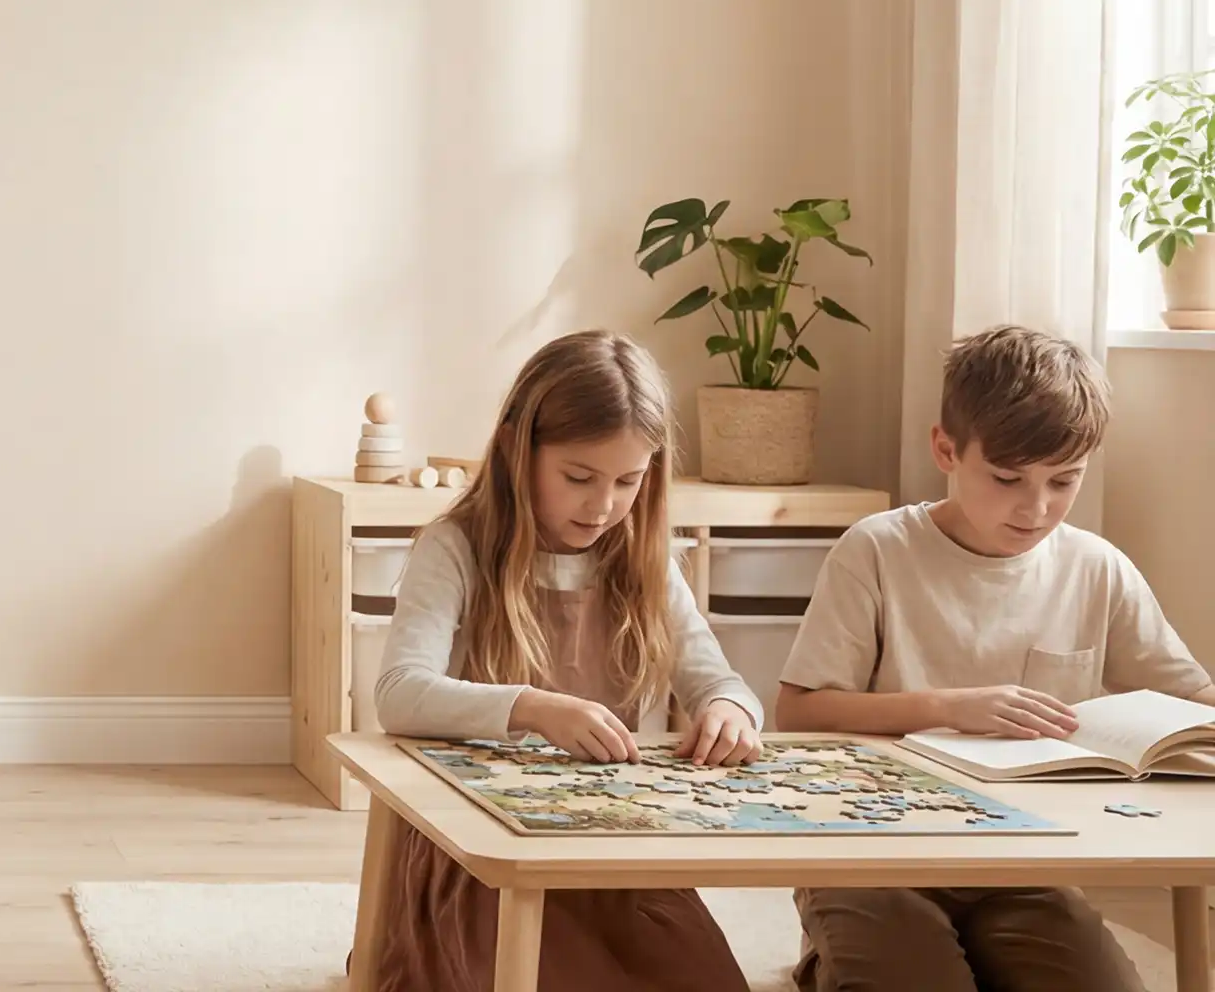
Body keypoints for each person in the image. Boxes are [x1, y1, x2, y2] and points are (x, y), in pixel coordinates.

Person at [777, 325, 1215, 992]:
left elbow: (1190, 701)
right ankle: (827, 956)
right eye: (1007, 478)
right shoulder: (876, 551)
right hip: (874, 854)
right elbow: (799, 711)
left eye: (1064, 481)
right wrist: (949, 707)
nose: (1036, 508)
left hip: (1026, 863)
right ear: (946, 450)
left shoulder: (1096, 567)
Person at [365, 330, 761, 992]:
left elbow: (717, 679)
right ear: (521, 450)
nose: (603, 505)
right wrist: (530, 707)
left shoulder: (644, 562)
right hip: (479, 854)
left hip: (612, 848)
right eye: (579, 477)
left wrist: (730, 708)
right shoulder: (454, 548)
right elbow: (398, 692)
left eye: (628, 481)